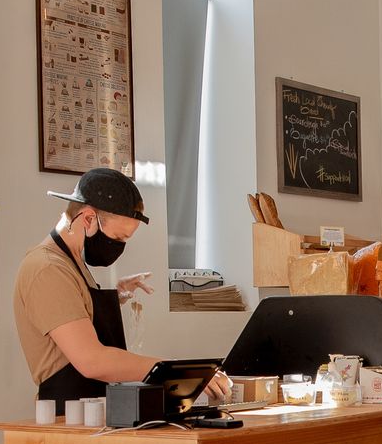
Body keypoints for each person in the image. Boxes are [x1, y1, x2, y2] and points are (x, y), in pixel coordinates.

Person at [15, 167, 229, 405]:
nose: (117, 247)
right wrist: (181, 372)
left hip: (95, 411)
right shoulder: (48, 269)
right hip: (68, 419)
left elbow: (71, 313)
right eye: (117, 238)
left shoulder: (72, 265)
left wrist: (113, 296)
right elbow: (92, 360)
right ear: (87, 219)